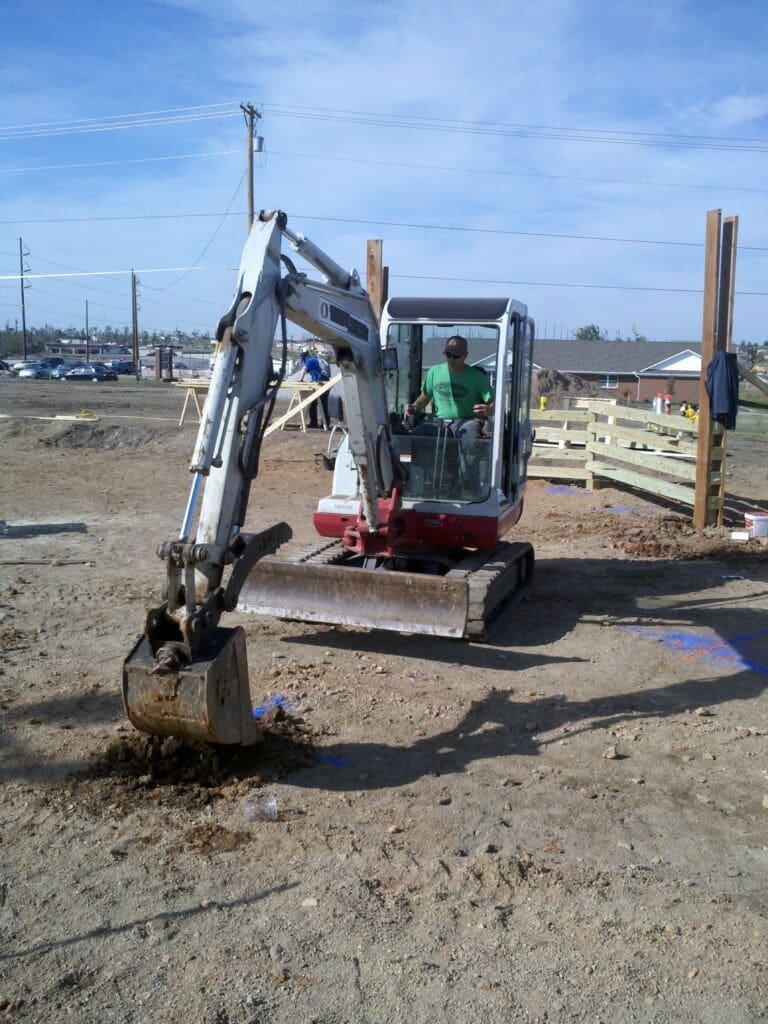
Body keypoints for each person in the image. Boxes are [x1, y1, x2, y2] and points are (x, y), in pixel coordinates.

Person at [405, 334, 493, 441]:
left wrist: (490, 409)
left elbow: (492, 402)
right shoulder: (434, 372)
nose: (451, 359)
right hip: (439, 422)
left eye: (456, 356)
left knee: (469, 439)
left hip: (468, 421)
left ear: (465, 355)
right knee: (416, 435)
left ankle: (466, 458)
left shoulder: (477, 377)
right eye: (448, 354)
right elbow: (425, 397)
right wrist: (413, 407)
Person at [299, 349, 331, 429]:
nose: (304, 362)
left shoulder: (310, 361)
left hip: (320, 384)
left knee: (315, 403)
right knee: (322, 404)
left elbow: (304, 369)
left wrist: (301, 379)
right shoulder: (316, 360)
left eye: (304, 360)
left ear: (306, 357)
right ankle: (325, 423)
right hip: (324, 383)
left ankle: (315, 423)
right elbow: (313, 373)